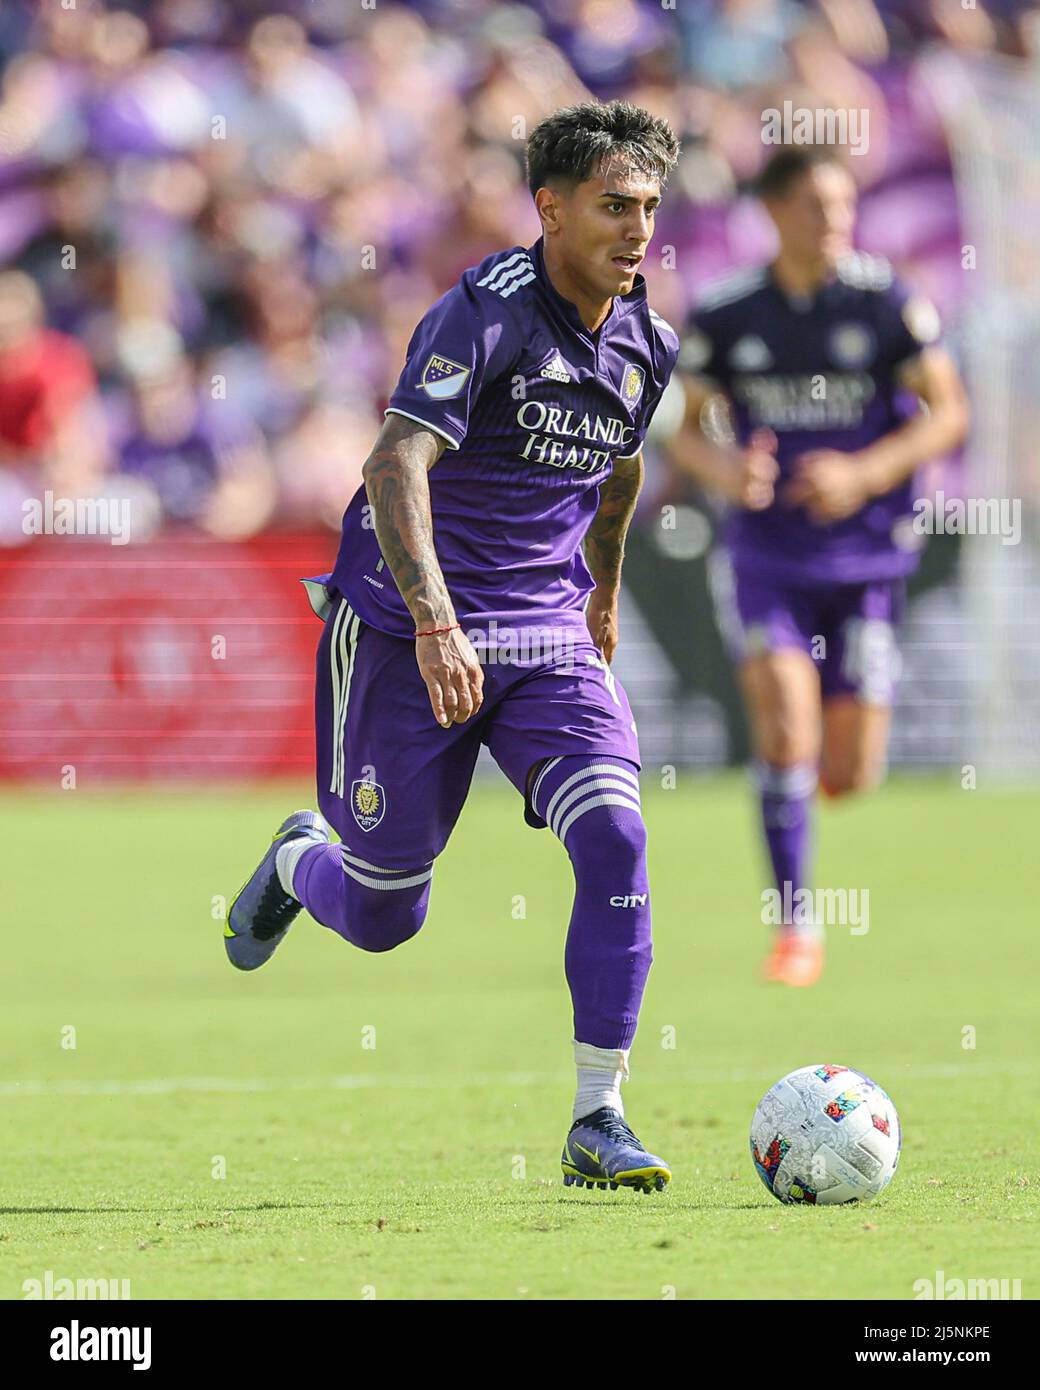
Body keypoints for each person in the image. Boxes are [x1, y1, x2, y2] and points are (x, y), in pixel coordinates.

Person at [224, 101, 682, 1193]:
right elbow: (393, 467)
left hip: (544, 635)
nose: (636, 229)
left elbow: (615, 473)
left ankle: (596, 1115)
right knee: (385, 914)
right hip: (403, 628)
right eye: (614, 206)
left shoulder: (647, 342)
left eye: (650, 208)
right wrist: (434, 621)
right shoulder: (481, 314)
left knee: (615, 835)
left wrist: (601, 597)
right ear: (550, 208)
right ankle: (300, 858)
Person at [670, 146, 969, 987]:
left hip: (869, 558)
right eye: (814, 206)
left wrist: (865, 473)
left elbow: (949, 412)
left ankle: (819, 784)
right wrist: (729, 472)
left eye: (842, 206)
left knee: (850, 770)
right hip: (767, 557)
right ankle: (796, 926)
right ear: (771, 211)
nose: (833, 221)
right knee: (785, 732)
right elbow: (687, 430)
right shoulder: (729, 313)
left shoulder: (882, 302)